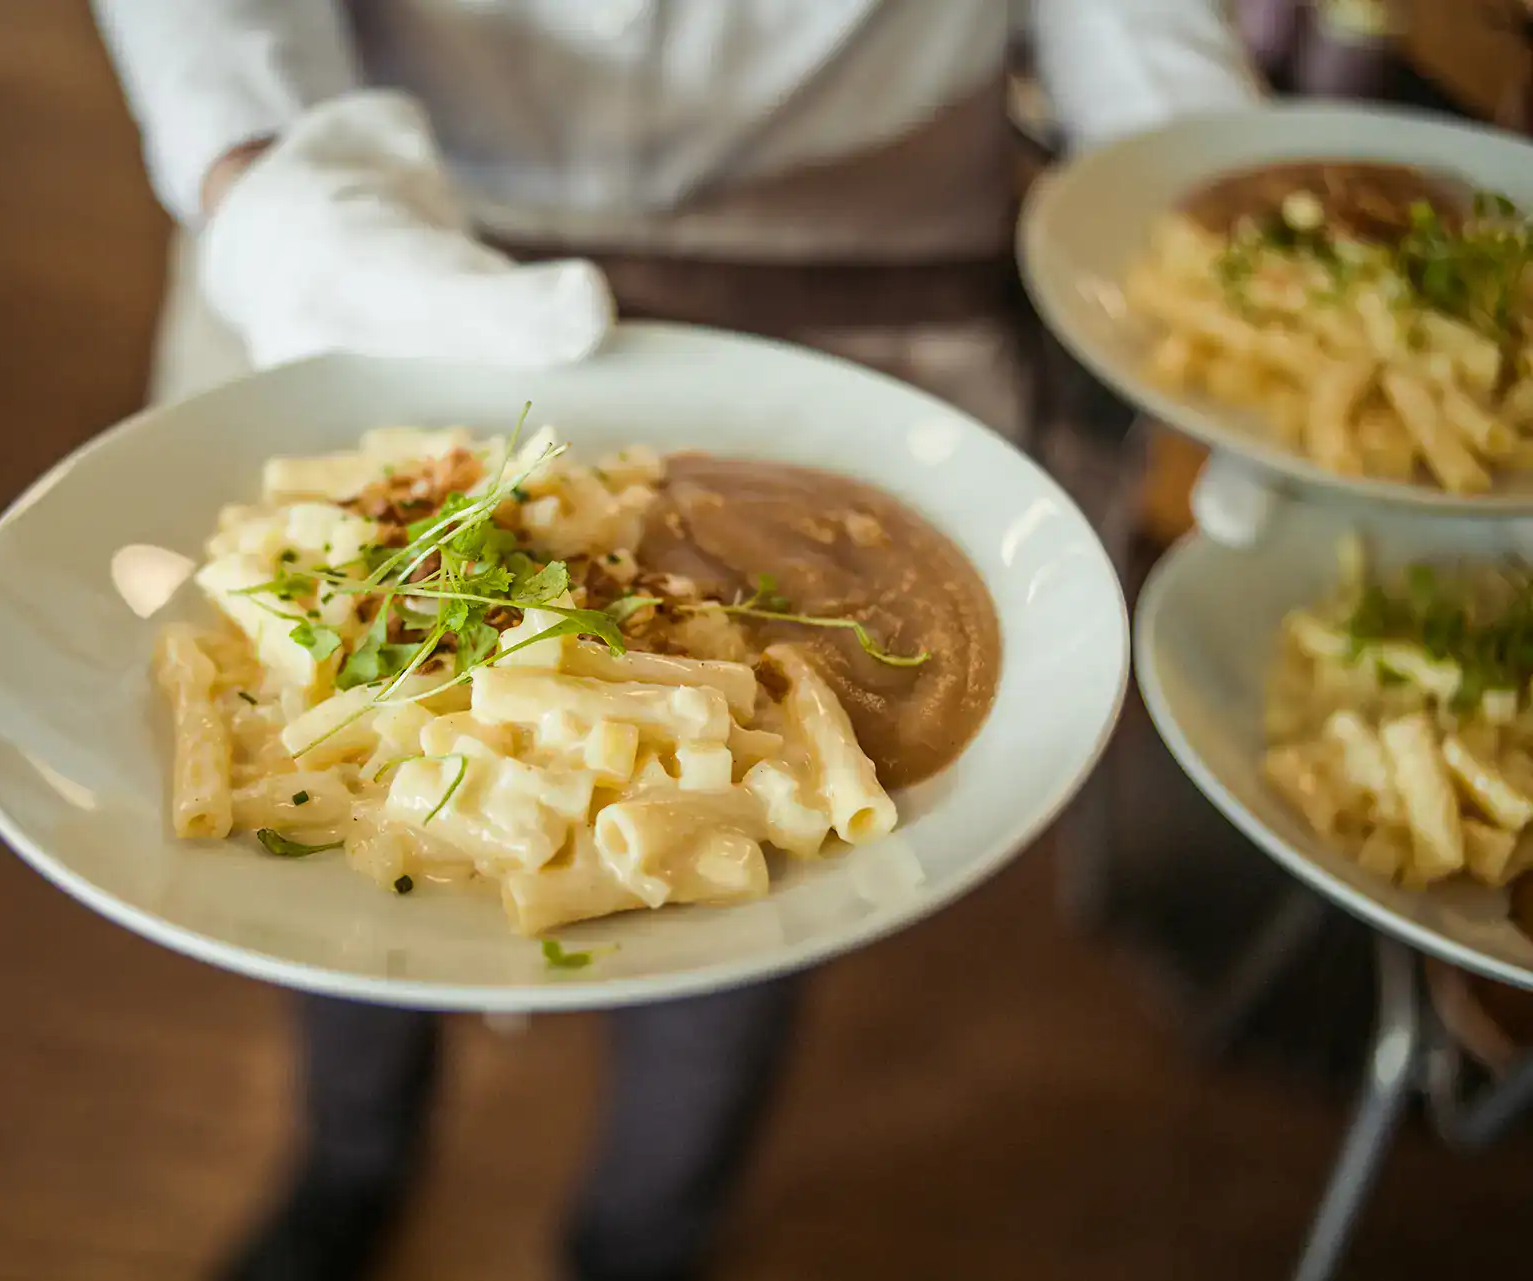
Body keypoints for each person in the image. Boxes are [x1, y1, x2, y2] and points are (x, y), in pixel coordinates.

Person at [90, 4, 1262, 1279]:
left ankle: (644, 1238)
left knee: (747, 930)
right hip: (387, 279)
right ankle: (353, 1159)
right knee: (318, 863)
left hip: (868, 333)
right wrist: (259, 171)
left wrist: (1216, 237)